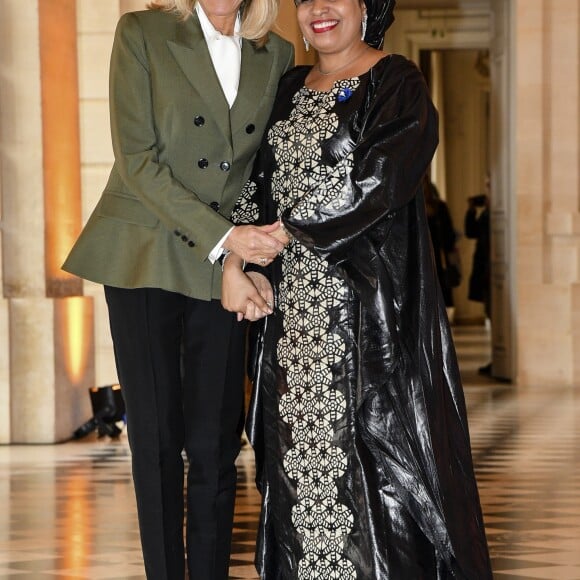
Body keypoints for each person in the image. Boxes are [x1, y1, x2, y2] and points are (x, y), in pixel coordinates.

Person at [221, 0, 493, 577]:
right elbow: (255, 178)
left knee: (379, 482)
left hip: (369, 326)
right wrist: (233, 260)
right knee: (294, 476)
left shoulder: (397, 84)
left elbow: (379, 181)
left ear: (366, 6)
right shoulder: (288, 85)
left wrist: (286, 232)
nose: (319, 9)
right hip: (290, 321)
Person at [62, 0, 293, 577]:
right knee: (158, 442)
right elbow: (137, 160)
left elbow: (261, 167)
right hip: (144, 253)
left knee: (216, 441)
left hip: (221, 265)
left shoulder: (277, 52)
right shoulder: (141, 31)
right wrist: (227, 240)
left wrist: (242, 259)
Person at [465, 176, 491, 375]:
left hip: (490, 265)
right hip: (484, 264)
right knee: (490, 309)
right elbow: (471, 232)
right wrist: (471, 211)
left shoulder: (495, 211)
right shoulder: (488, 212)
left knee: (493, 310)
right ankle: (496, 358)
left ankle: (498, 359)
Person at [423, 174, 460, 310]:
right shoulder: (409, 209)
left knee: (439, 294)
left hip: (438, 257)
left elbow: (449, 235)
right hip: (419, 256)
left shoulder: (440, 208)